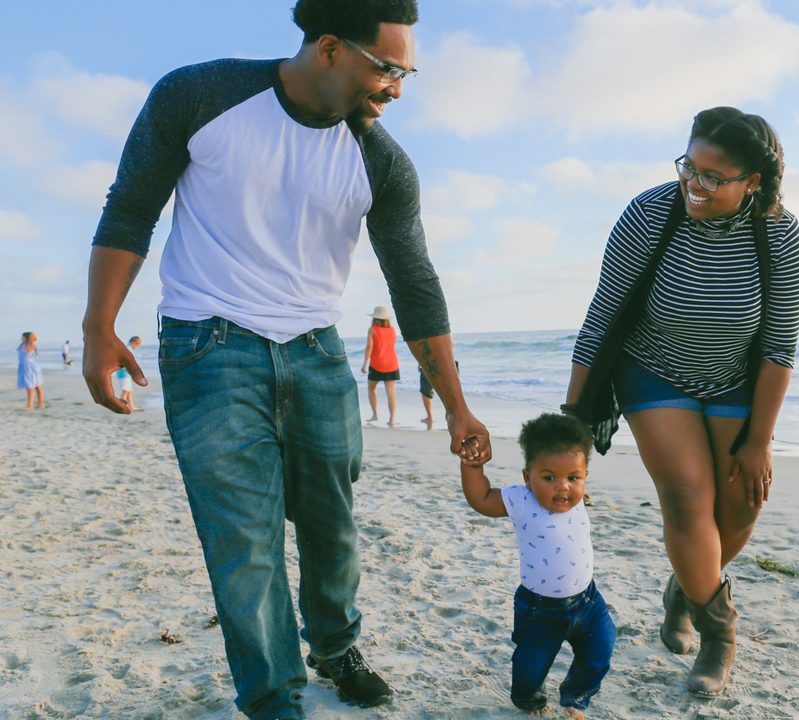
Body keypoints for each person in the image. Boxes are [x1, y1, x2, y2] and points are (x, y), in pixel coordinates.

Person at [80, 2, 491, 718]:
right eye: (387, 68)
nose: (398, 88)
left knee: (332, 524)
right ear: (330, 48)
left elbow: (415, 283)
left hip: (317, 354)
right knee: (243, 538)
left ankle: (334, 644)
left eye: (406, 72)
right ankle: (275, 698)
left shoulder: (382, 162)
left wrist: (455, 402)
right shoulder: (200, 95)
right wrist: (98, 325)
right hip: (206, 347)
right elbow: (131, 205)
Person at [564, 107, 799, 697]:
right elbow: (603, 314)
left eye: (713, 177)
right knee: (688, 498)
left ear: (754, 180)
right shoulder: (652, 212)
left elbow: (779, 348)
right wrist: (572, 421)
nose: (694, 185)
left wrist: (759, 442)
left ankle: (686, 587)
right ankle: (719, 635)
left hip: (734, 380)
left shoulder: (781, 234)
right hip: (652, 371)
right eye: (689, 168)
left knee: (741, 506)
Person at [460, 413, 616, 718]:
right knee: (529, 670)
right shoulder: (522, 500)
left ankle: (575, 698)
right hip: (539, 611)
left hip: (588, 601)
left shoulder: (578, 499)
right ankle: (529, 700)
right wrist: (473, 467)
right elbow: (480, 498)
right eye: (549, 477)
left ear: (585, 475)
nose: (563, 488)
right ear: (527, 476)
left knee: (600, 652)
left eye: (574, 478)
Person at [360, 305, 400, 426]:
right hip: (392, 363)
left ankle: (375, 414)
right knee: (391, 391)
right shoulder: (392, 330)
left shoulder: (372, 329)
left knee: (371, 389)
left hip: (377, 364)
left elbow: (369, 347)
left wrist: (365, 364)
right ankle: (392, 419)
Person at [114, 336, 143, 411]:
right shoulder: (128, 349)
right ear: (134, 343)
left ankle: (131, 406)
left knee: (129, 391)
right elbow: (127, 362)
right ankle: (121, 406)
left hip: (126, 373)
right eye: (137, 346)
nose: (136, 347)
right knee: (125, 391)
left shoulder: (126, 348)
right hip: (124, 373)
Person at [17, 332, 45, 410]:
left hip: (31, 368)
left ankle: (32, 405)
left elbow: (35, 337)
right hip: (25, 368)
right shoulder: (23, 345)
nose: (21, 339)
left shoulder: (31, 344)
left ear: (27, 338)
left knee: (32, 387)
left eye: (22, 337)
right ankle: (39, 404)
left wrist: (30, 335)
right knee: (33, 386)